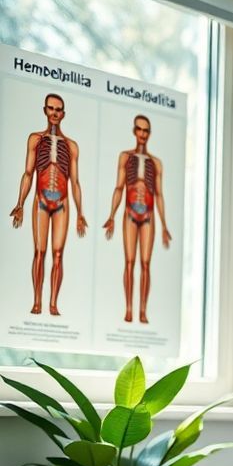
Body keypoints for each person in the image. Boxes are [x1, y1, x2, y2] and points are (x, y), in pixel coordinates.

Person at [10, 93, 87, 316]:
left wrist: (81, 213)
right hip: (40, 201)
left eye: (58, 109)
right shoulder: (35, 139)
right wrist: (20, 203)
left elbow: (75, 182)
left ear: (63, 114)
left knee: (58, 255)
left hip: (62, 204)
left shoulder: (71, 146)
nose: (54, 113)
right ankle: (37, 302)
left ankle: (52, 304)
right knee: (39, 252)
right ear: (45, 110)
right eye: (51, 108)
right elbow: (27, 173)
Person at [102, 114, 171, 324]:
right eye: (139, 129)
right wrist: (112, 215)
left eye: (146, 131)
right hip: (129, 214)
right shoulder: (125, 157)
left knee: (146, 264)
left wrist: (165, 226)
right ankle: (129, 309)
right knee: (130, 262)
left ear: (149, 134)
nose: (142, 134)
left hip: (148, 216)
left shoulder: (156, 163)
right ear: (134, 131)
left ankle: (143, 311)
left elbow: (159, 195)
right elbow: (119, 187)